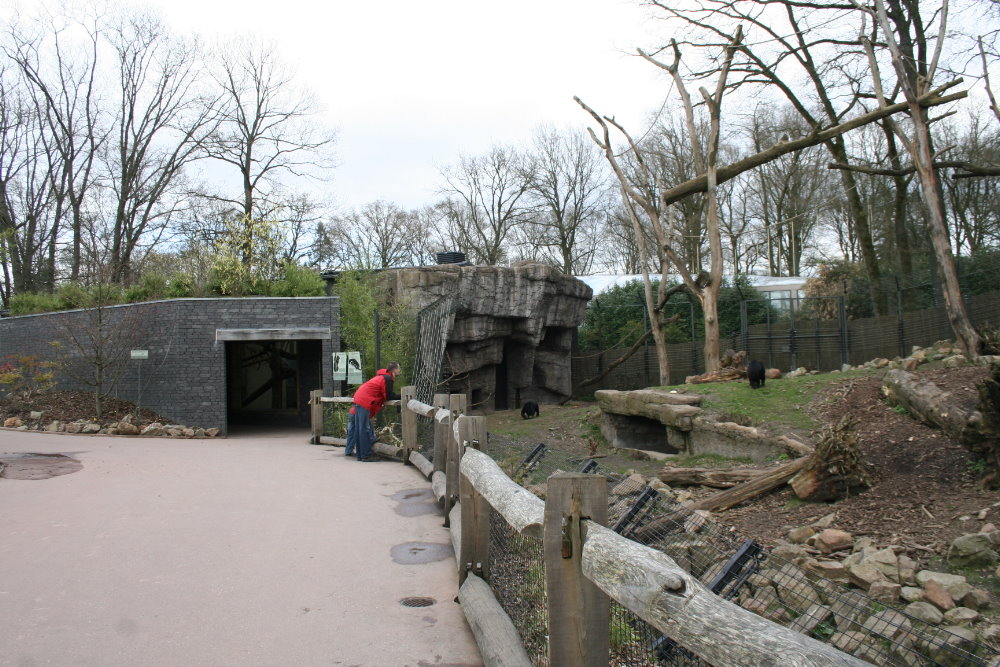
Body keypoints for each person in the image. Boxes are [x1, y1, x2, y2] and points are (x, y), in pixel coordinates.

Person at [346, 362, 401, 462]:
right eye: (398, 368)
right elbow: (388, 396)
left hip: (359, 399)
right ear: (394, 370)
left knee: (360, 429)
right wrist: (401, 396)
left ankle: (360, 454)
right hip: (365, 401)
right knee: (364, 429)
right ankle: (366, 455)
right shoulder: (387, 379)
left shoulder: (382, 377)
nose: (399, 370)